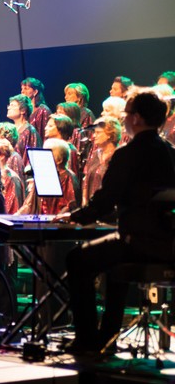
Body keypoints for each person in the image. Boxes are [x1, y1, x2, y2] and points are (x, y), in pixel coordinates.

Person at [63, 88, 175, 355]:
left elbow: (106, 199)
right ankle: (107, 337)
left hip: (137, 242)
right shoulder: (171, 153)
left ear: (136, 118)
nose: (124, 118)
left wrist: (75, 216)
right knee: (113, 258)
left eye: (127, 114)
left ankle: (87, 339)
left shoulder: (128, 154)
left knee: (76, 259)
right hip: (168, 244)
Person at [82, 117, 121, 207]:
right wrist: (84, 204)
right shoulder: (95, 154)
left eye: (98, 132)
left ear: (109, 134)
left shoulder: (118, 155)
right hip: (91, 207)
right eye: (94, 132)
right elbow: (86, 182)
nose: (94, 136)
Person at [21, 77, 51, 144]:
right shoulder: (24, 111)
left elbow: (46, 134)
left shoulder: (43, 110)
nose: (22, 91)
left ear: (35, 92)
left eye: (26, 88)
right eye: (22, 89)